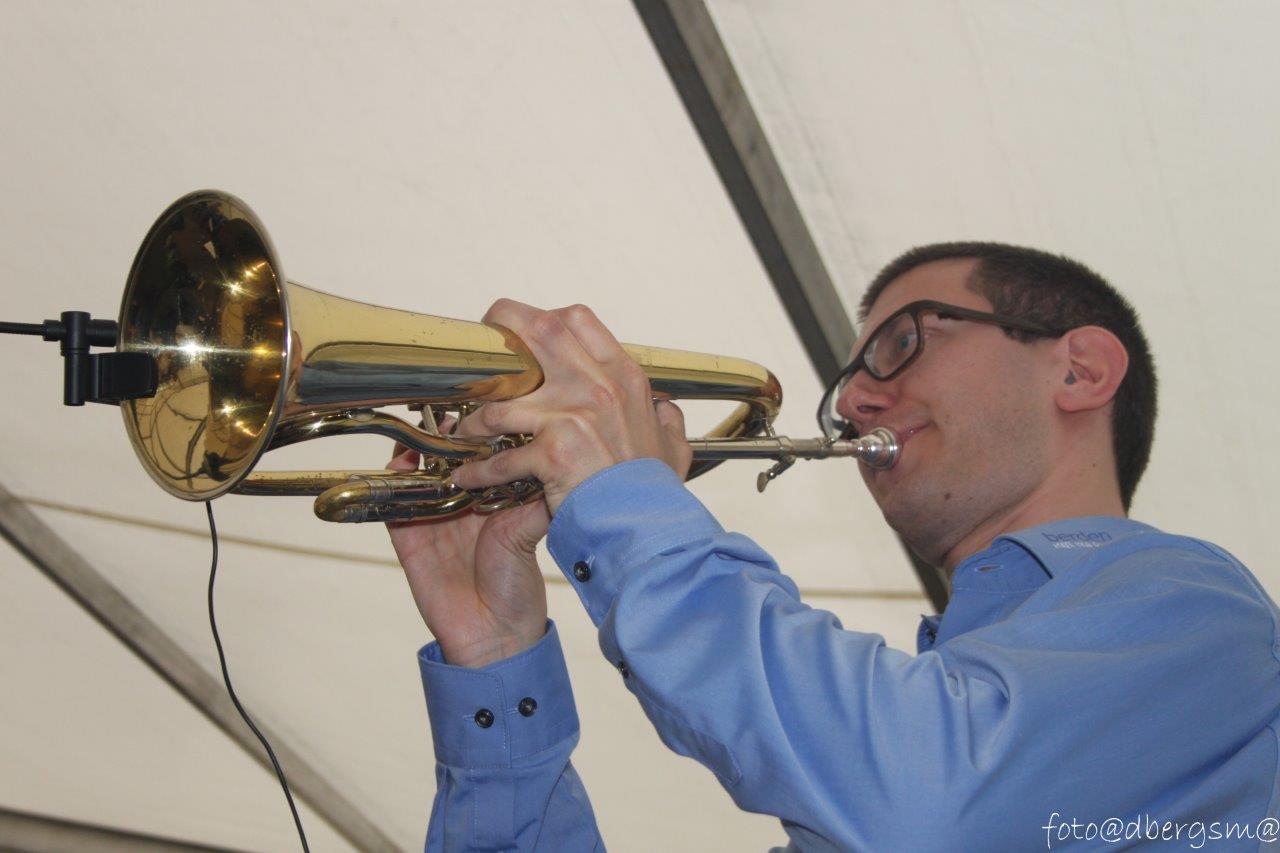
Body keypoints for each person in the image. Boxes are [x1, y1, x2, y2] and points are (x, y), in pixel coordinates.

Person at [387, 243, 1280, 851]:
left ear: (1080, 369)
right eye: (848, 380)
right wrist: (495, 662)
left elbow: (929, 804)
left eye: (903, 341)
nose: (851, 402)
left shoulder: (1198, 613)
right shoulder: (884, 749)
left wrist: (626, 500)